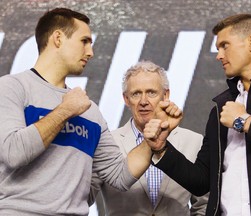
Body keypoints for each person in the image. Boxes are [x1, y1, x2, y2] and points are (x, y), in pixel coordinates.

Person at [0, 8, 182, 215]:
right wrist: (65, 111)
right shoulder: (12, 87)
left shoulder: (90, 111)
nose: (90, 52)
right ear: (58, 38)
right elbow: (14, 152)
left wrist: (154, 138)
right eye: (84, 41)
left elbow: (120, 175)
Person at [145, 13, 251, 216]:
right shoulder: (222, 106)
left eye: (224, 45)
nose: (218, 55)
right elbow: (202, 181)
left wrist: (245, 122)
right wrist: (162, 149)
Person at [90, 61, 209, 216]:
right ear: (126, 99)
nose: (144, 101)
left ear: (165, 95)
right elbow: (84, 196)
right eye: (136, 94)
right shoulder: (107, 142)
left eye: (151, 92)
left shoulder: (194, 141)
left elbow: (205, 205)